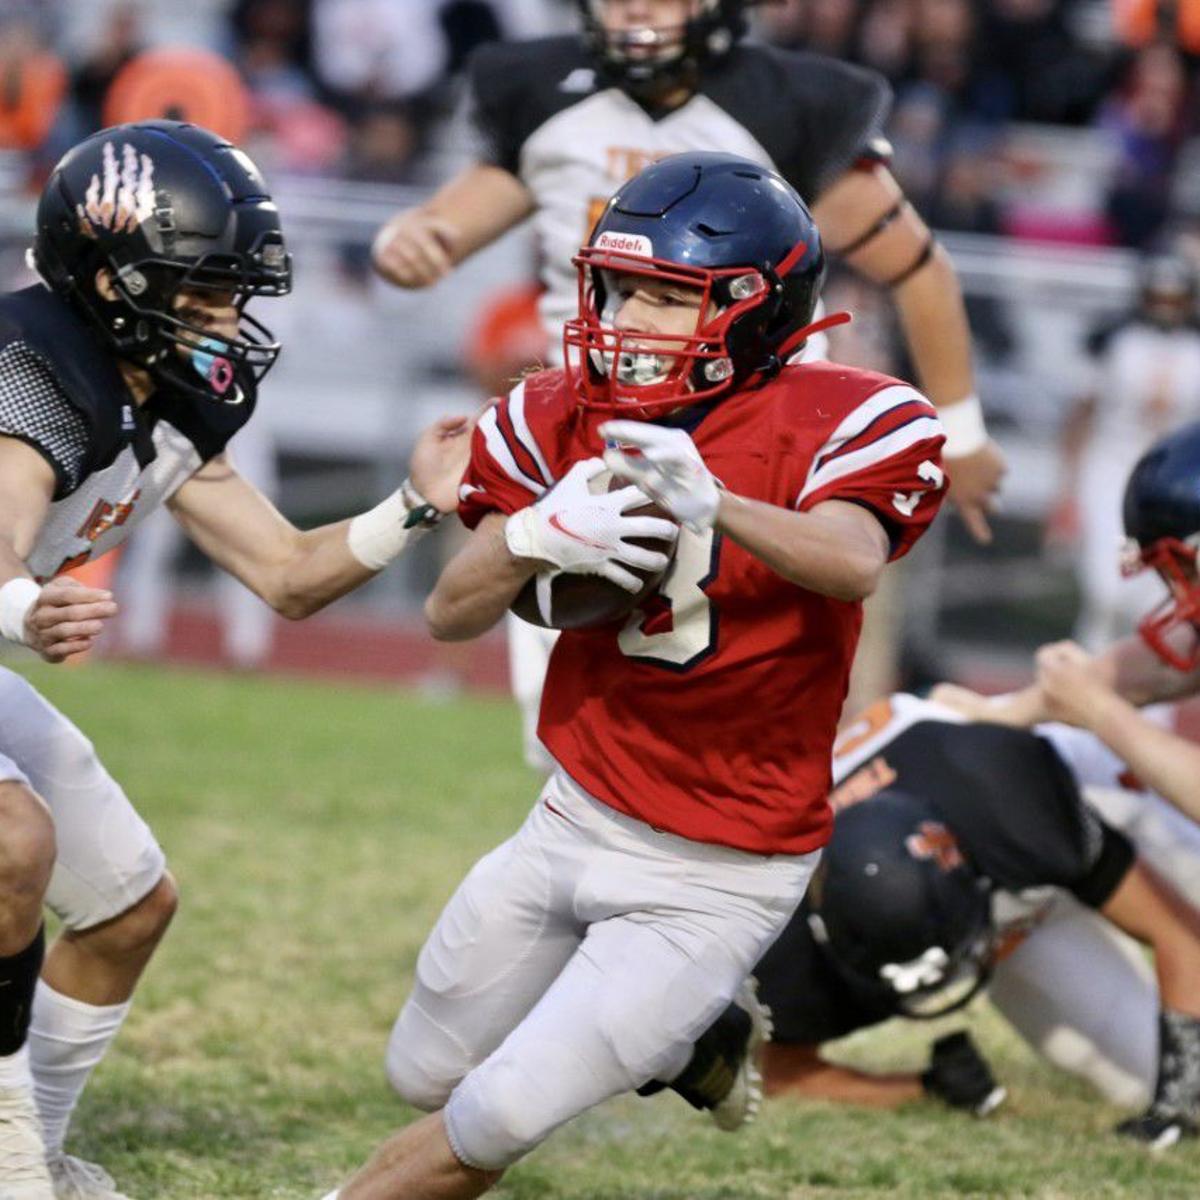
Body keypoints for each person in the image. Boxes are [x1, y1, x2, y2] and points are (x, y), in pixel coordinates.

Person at [318, 150, 946, 1200]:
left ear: (756, 308)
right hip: (575, 813)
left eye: (667, 297)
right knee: (420, 1074)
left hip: (724, 868)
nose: (629, 319)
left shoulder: (851, 416)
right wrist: (528, 532)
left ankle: (672, 1006)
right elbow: (449, 613)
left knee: (498, 1114)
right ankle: (687, 1036)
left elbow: (851, 561)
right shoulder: (555, 408)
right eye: (619, 289)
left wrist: (719, 504)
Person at [0, 119, 469, 1200]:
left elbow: (290, 575)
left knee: (128, 906)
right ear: (109, 281)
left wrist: (411, 509)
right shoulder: (32, 367)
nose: (226, 319)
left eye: (233, 290)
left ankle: (38, 1151)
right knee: (14, 841)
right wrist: (25, 609)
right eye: (201, 289)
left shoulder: (162, 394)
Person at [370, 0, 1004, 766]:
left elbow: (917, 266)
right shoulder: (546, 91)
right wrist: (409, 243)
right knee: (574, 722)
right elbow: (444, 227)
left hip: (746, 418)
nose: (637, 8)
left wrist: (963, 431)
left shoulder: (782, 103)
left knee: (769, 706)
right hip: (591, 415)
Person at [746, 691, 1200, 1149]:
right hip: (984, 874)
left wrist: (1181, 1100)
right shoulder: (779, 943)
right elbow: (780, 1071)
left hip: (1058, 787)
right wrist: (922, 1086)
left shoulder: (1013, 810)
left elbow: (1176, 929)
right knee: (1146, 1075)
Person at [1048, 253, 1200, 651]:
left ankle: (1153, 701)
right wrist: (1065, 491)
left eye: (1174, 299)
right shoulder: (1114, 342)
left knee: (1163, 591)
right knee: (1108, 587)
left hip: (1179, 481)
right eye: (1158, 298)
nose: (1166, 309)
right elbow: (1080, 415)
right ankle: (1089, 677)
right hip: (1112, 468)